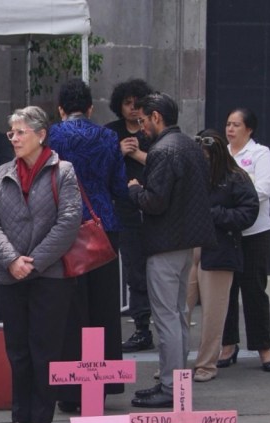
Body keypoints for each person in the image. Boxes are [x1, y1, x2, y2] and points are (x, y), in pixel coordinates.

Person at [0, 106, 82, 423]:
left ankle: (42, 418)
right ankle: (19, 417)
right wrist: (12, 259)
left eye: (21, 132)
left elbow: (69, 222)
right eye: (11, 132)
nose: (13, 138)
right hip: (11, 275)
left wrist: (35, 261)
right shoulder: (2, 173)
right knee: (17, 349)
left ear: (41, 135)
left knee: (45, 348)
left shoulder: (63, 171)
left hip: (50, 275)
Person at [127, 93, 215, 409]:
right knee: (177, 317)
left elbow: (155, 201)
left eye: (143, 121)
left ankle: (169, 386)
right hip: (185, 245)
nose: (141, 128)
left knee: (166, 318)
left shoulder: (163, 151)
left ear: (156, 117)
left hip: (164, 244)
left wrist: (136, 191)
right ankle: (177, 385)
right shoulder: (191, 146)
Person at [47, 79, 129, 413]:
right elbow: (119, 186)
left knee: (68, 309)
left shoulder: (50, 137)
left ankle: (70, 391)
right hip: (103, 229)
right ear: (91, 108)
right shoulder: (109, 137)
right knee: (103, 308)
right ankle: (103, 384)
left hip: (64, 231)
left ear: (61, 108)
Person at [190, 130, 259, 382]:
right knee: (178, 310)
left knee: (213, 315)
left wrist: (215, 214)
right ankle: (172, 366)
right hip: (190, 246)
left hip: (220, 248)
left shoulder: (235, 177)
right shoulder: (192, 176)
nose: (201, 161)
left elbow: (249, 212)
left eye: (205, 157)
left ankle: (206, 365)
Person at [220, 108, 270, 372]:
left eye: (236, 125)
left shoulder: (260, 154)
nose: (230, 129)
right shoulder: (222, 154)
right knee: (225, 292)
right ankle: (228, 344)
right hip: (227, 232)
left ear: (249, 129)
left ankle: (264, 346)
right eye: (228, 124)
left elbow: (263, 189)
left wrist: (232, 196)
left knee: (254, 290)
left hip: (255, 233)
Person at [105, 79, 156, 353]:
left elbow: (163, 162)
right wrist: (117, 152)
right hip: (124, 207)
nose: (134, 110)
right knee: (135, 267)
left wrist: (136, 153)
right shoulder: (111, 133)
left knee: (158, 269)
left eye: (138, 104)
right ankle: (141, 326)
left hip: (154, 205)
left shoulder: (153, 131)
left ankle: (161, 323)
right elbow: (99, 168)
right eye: (127, 104)